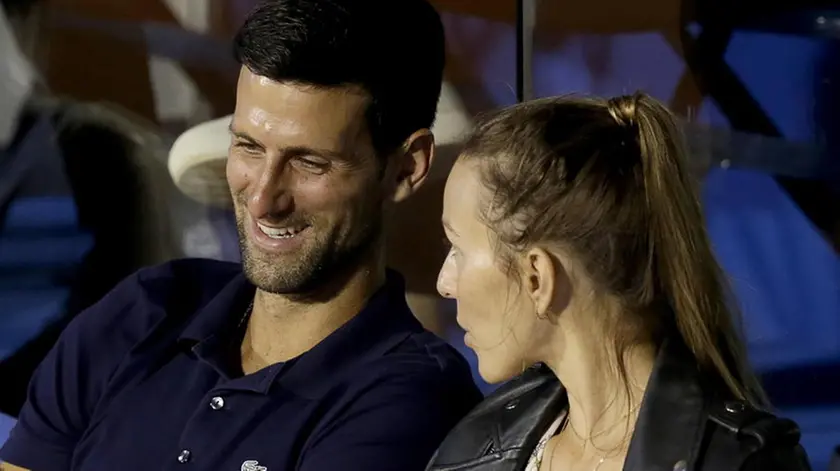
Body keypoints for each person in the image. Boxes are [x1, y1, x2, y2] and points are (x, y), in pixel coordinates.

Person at [0, 0, 484, 469]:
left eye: (309, 162)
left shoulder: (407, 399)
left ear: (405, 168)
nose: (262, 200)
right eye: (248, 146)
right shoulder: (144, 311)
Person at [426, 92, 812, 471]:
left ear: (536, 277)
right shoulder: (474, 448)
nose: (445, 283)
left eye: (457, 249)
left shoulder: (741, 461)